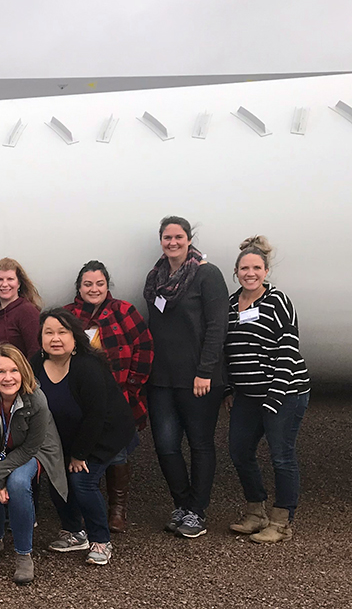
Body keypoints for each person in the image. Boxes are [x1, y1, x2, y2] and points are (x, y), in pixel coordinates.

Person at [144, 215, 228, 539]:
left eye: (178, 237)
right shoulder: (156, 278)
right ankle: (182, 504)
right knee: (165, 446)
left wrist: (205, 370)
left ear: (189, 239)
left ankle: (197, 511)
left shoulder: (208, 275)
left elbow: (217, 326)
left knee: (200, 444)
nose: (173, 242)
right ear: (161, 241)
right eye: (167, 237)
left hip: (198, 377)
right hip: (162, 378)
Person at [33, 309, 136, 567]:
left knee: (81, 481)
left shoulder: (87, 366)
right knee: (57, 478)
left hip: (104, 435)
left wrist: (79, 455)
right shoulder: (35, 364)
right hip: (64, 436)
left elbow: (96, 416)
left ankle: (100, 539)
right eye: (49, 332)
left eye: (62, 332)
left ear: (74, 336)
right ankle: (73, 532)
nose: (55, 338)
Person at [224, 236, 310, 544]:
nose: (250, 273)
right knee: (239, 451)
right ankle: (255, 512)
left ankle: (282, 521)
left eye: (256, 268)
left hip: (285, 392)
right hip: (248, 395)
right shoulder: (231, 305)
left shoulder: (278, 301)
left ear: (266, 270)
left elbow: (288, 349)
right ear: (236, 271)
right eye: (245, 268)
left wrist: (275, 397)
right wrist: (229, 390)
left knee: (281, 456)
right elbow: (229, 351)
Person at [0, 343, 67, 586]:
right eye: (0, 371)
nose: (8, 378)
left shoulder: (37, 399)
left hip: (27, 451)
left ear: (23, 371)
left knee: (19, 483)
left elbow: (31, 448)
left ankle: (24, 554)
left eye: (14, 370)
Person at [64, 260, 154, 532]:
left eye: (100, 284)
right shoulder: (68, 316)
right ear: (79, 287)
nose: (94, 289)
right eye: (88, 284)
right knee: (82, 449)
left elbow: (145, 348)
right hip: (81, 401)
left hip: (120, 399)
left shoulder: (124, 311)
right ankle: (84, 506)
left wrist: (132, 386)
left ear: (107, 285)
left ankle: (118, 510)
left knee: (118, 453)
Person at [0, 258, 42, 381]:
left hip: (13, 384)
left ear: (19, 283)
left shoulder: (27, 312)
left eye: (10, 279)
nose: (4, 284)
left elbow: (35, 352)